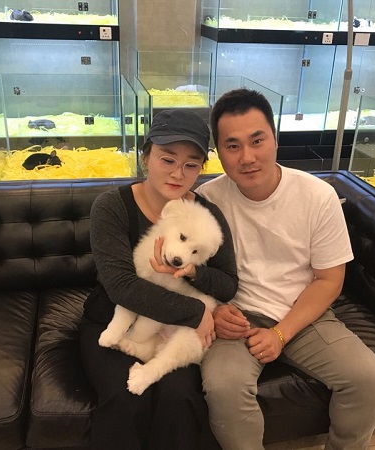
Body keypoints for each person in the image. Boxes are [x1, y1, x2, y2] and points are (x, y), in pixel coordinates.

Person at [196, 89, 375, 450]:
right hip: (237, 318)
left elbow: (329, 279)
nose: (247, 157)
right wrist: (215, 311)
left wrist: (280, 334)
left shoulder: (317, 196)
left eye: (257, 141)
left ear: (275, 138)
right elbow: (198, 275)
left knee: (368, 380)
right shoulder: (207, 200)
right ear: (218, 152)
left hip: (302, 313)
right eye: (232, 146)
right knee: (224, 388)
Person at [79, 109, 238, 450]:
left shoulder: (206, 217)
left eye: (191, 164)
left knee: (180, 398)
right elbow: (121, 285)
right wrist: (197, 312)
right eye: (168, 159)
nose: (178, 173)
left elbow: (228, 284)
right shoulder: (112, 206)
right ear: (146, 156)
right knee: (124, 398)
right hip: (112, 319)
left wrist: (193, 271)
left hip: (174, 331)